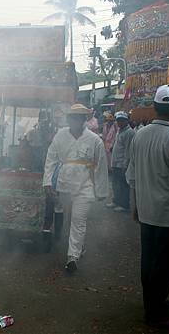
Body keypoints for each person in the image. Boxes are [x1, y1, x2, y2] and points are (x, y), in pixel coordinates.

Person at [126, 84, 169, 331]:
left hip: (147, 213)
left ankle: (154, 303)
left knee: (150, 263)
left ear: (154, 107)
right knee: (166, 267)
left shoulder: (139, 135)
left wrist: (134, 205)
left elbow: (131, 175)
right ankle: (155, 314)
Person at [43, 104, 108, 273]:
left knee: (78, 221)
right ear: (68, 118)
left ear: (84, 119)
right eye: (72, 117)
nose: (74, 120)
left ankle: (72, 257)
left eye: (78, 117)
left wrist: (101, 191)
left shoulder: (95, 140)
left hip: (85, 187)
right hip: (64, 185)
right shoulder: (60, 135)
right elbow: (51, 158)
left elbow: (100, 167)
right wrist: (47, 181)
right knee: (70, 219)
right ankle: (78, 246)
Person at [111, 111, 135, 212]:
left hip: (122, 164)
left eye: (122, 120)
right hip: (115, 162)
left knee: (123, 185)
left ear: (127, 120)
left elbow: (128, 150)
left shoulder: (129, 132)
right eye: (118, 120)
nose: (119, 122)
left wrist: (125, 165)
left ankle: (124, 205)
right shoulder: (120, 130)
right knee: (115, 183)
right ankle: (116, 201)